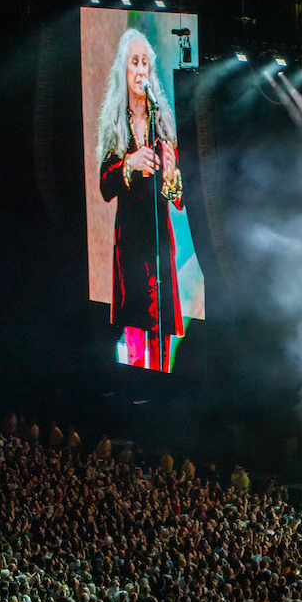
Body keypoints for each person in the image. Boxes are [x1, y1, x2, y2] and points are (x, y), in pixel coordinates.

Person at [98, 28, 185, 372]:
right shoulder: (114, 124)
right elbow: (106, 186)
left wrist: (174, 179)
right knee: (135, 333)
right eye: (134, 62)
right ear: (124, 69)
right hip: (131, 246)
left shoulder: (161, 122)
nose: (140, 70)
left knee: (161, 333)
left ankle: (162, 390)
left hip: (160, 244)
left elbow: (178, 198)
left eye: (145, 63)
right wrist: (129, 165)